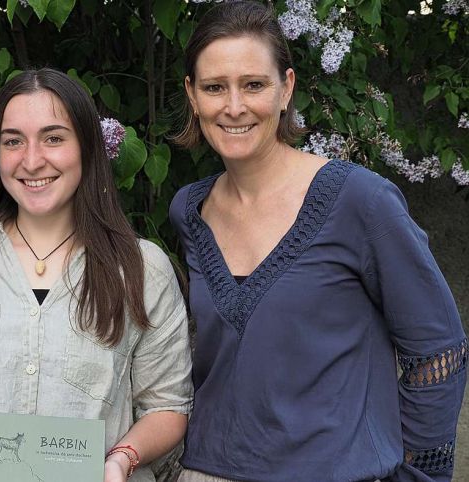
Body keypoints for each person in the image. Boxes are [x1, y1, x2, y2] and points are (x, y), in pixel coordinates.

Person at [169, 2, 466, 482]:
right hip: (207, 472)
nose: (234, 106)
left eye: (254, 85)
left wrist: (418, 476)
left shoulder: (360, 201)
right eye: (214, 87)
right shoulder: (190, 211)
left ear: (286, 88)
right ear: (192, 95)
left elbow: (438, 351)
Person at [0, 68, 194, 482]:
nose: (32, 160)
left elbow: (167, 406)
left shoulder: (143, 269)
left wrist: (123, 458)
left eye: (54, 138)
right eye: (13, 141)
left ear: (87, 149)